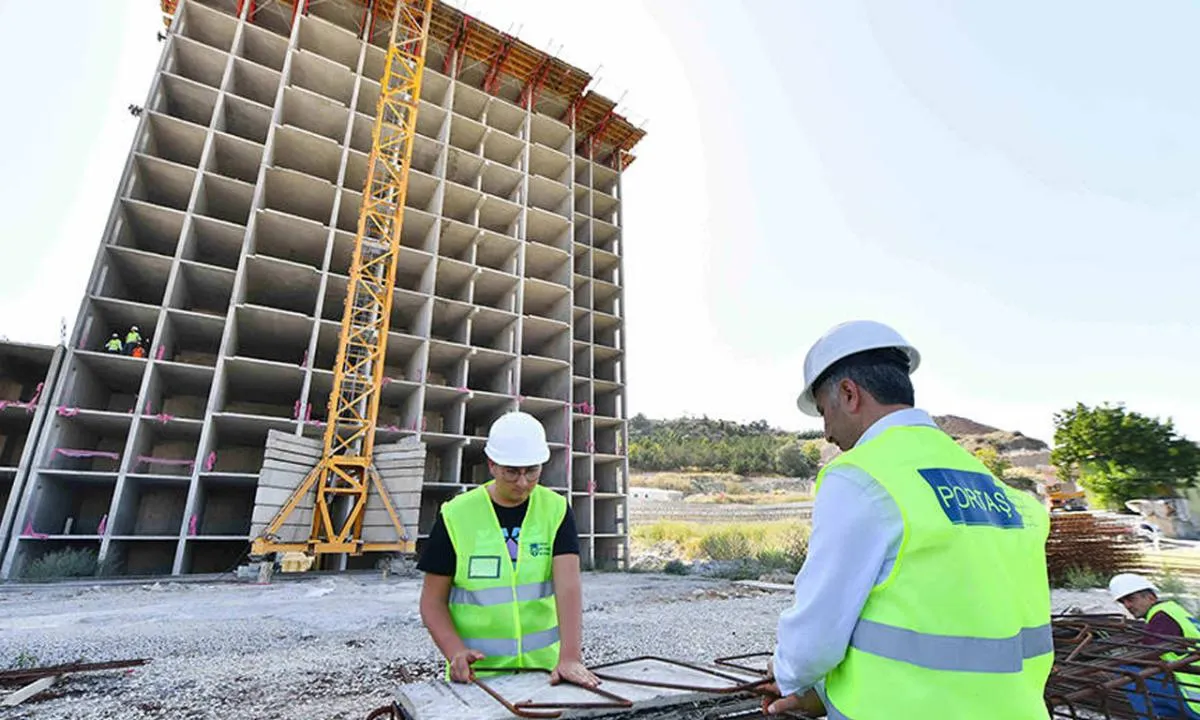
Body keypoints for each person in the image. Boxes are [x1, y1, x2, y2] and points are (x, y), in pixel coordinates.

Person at [762, 320, 1053, 718]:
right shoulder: (998, 491)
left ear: (848, 394)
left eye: (824, 412)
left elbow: (817, 631)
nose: (826, 433)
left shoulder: (860, 477)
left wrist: (787, 675)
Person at [417, 411, 598, 689]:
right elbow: (432, 601)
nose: (522, 483)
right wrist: (455, 652)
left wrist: (570, 658)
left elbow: (568, 588)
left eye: (532, 471)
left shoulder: (556, 510)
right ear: (492, 465)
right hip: (479, 677)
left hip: (545, 673)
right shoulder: (456, 515)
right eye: (512, 472)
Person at [1109, 573, 1200, 719]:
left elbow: (1148, 655)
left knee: (1128, 671)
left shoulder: (1161, 618)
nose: (1127, 606)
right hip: (1194, 681)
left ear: (1151, 597)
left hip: (1194, 694)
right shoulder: (1172, 609)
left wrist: (1119, 657)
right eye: (1122, 602)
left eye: (1131, 599)